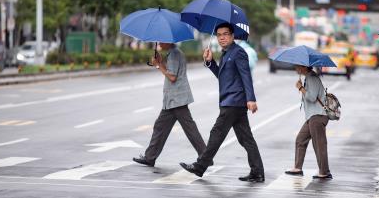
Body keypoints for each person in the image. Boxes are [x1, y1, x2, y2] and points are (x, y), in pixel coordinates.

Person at [179, 23, 265, 182]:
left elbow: (246, 77)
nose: (222, 37)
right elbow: (223, 77)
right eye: (219, 35)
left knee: (216, 133)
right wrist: (210, 62)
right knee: (246, 139)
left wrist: (251, 99)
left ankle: (200, 166)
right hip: (231, 101)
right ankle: (257, 172)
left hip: (234, 102)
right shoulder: (226, 54)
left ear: (232, 36)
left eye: (225, 34)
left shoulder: (238, 53)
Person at [133, 43, 207, 167]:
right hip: (173, 100)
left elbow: (172, 77)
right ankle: (150, 157)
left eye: (162, 41)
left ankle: (206, 158)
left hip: (176, 99)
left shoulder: (174, 54)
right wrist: (161, 63)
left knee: (190, 129)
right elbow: (171, 71)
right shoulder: (175, 53)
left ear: (169, 41)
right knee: (160, 127)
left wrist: (157, 65)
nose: (160, 43)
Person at [285, 65, 332, 179]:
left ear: (303, 67)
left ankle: (324, 172)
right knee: (300, 139)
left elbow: (311, 97)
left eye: (297, 66)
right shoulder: (308, 77)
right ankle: (297, 168)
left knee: (319, 144)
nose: (295, 68)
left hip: (318, 116)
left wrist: (301, 88)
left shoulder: (312, 78)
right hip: (312, 116)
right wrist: (302, 87)